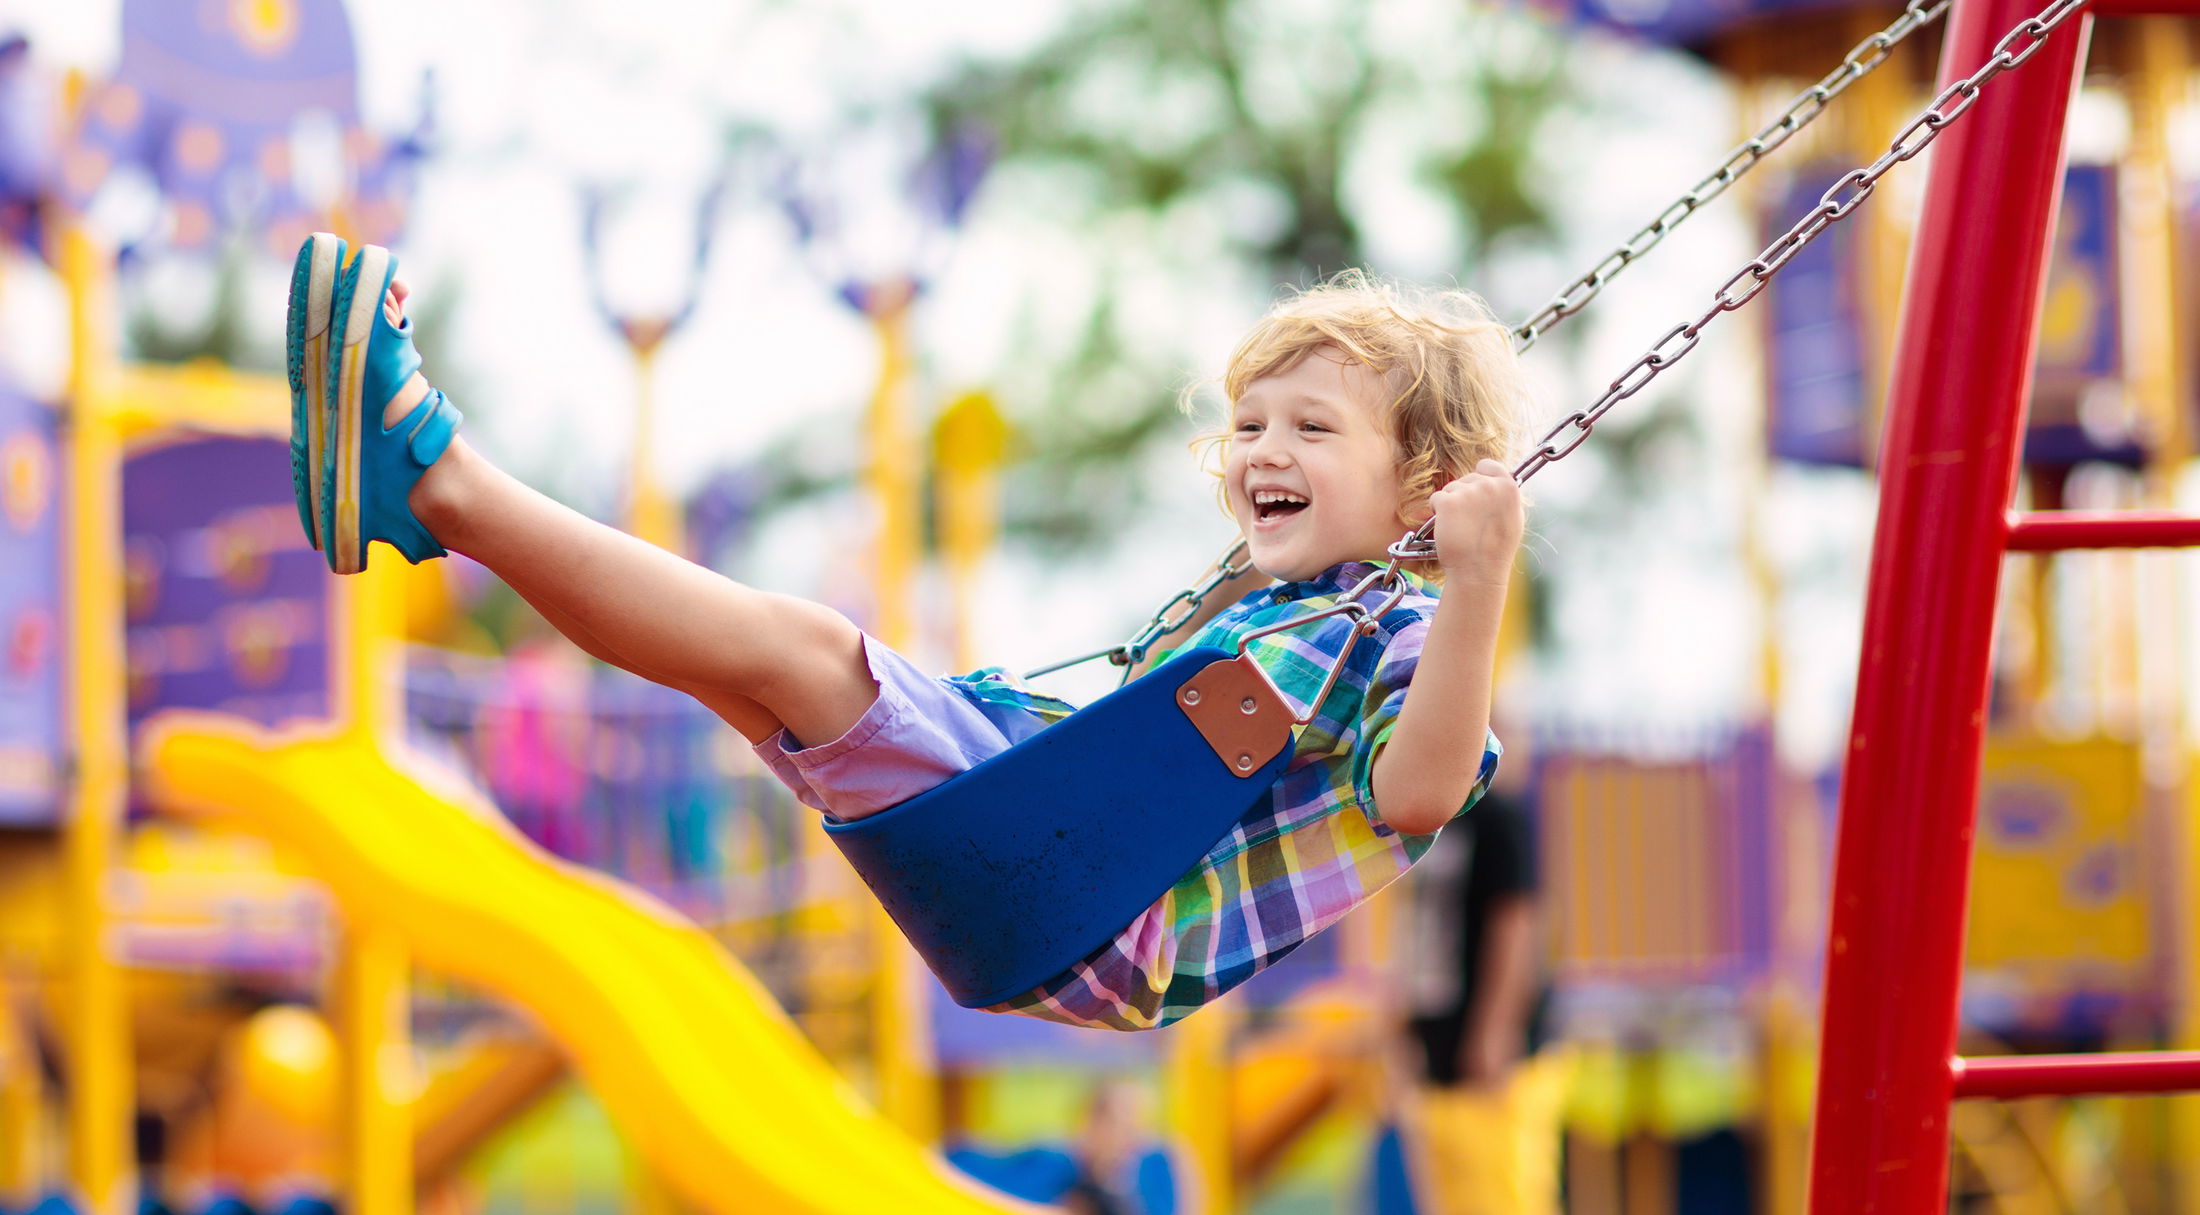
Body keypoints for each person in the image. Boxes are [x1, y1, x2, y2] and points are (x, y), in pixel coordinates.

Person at [286, 234, 1527, 1030]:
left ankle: (439, 477)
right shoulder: (1279, 614)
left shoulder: (1406, 634)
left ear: (1426, 489)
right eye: (1251, 423)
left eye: (1313, 429)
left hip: (1090, 903)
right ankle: (423, 505)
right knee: (735, 667)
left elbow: (1419, 794)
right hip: (1043, 861)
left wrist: (1475, 584)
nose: (1264, 448)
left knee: (798, 651)